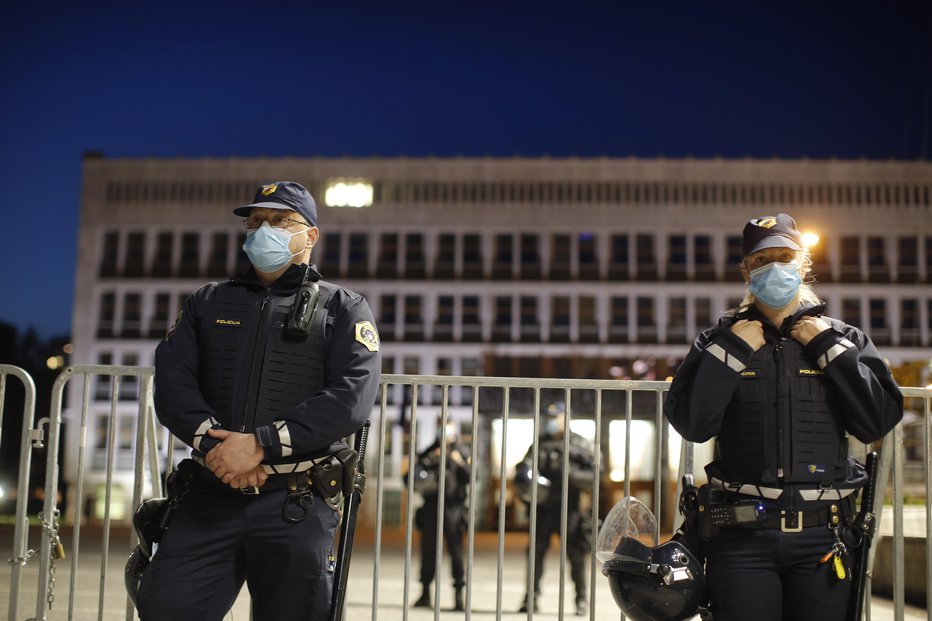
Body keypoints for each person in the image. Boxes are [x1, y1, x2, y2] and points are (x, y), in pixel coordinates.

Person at [136, 181, 382, 621]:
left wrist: (262, 444)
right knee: (165, 607)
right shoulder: (206, 302)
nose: (263, 229)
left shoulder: (344, 308)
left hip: (296, 502)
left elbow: (352, 397)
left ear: (311, 235)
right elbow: (173, 384)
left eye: (280, 221)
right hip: (209, 495)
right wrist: (219, 450)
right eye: (255, 222)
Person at [664, 214, 903, 621]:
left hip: (824, 540)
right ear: (745, 271)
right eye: (760, 261)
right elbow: (692, 423)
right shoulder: (715, 342)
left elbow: (875, 421)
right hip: (740, 539)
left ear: (802, 264)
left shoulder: (845, 339)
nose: (773, 267)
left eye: (784, 256)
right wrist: (730, 353)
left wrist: (827, 347)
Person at [516, 403, 596, 617]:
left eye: (556, 416)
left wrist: (572, 476)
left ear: (566, 418)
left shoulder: (578, 444)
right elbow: (525, 467)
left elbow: (595, 474)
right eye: (549, 416)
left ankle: (581, 599)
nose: (552, 420)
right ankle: (530, 599)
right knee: (535, 553)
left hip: (569, 509)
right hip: (543, 508)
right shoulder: (540, 443)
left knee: (575, 555)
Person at [409, 421, 471, 611]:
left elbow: (471, 476)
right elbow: (411, 477)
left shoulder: (462, 452)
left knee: (457, 554)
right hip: (431, 508)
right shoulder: (428, 452)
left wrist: (457, 460)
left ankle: (459, 595)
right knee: (428, 552)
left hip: (453, 509)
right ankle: (425, 593)